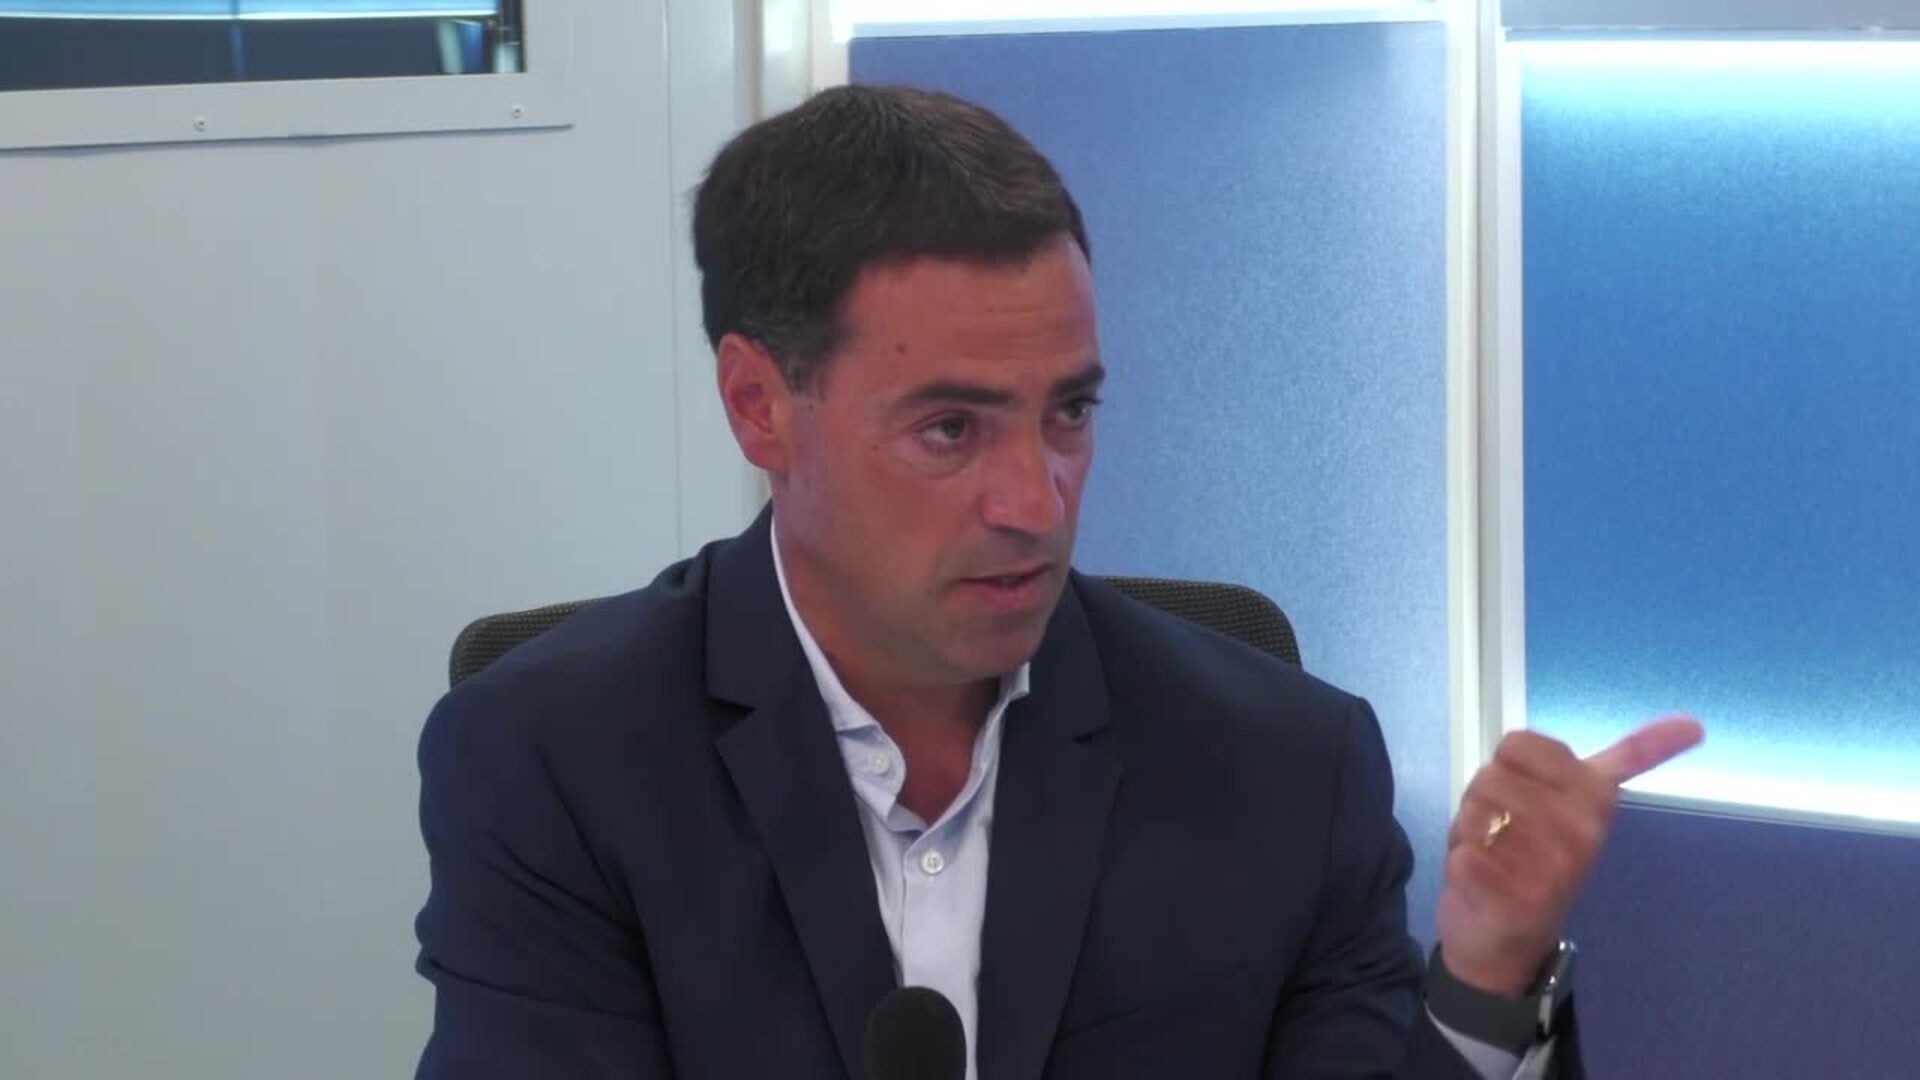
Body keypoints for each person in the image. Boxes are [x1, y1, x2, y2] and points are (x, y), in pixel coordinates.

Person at [411, 85, 1702, 1079]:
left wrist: (1482, 976)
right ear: (759, 405)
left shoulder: (1284, 767)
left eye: (1069, 413)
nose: (1035, 501)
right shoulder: (558, 761)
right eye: (950, 429)